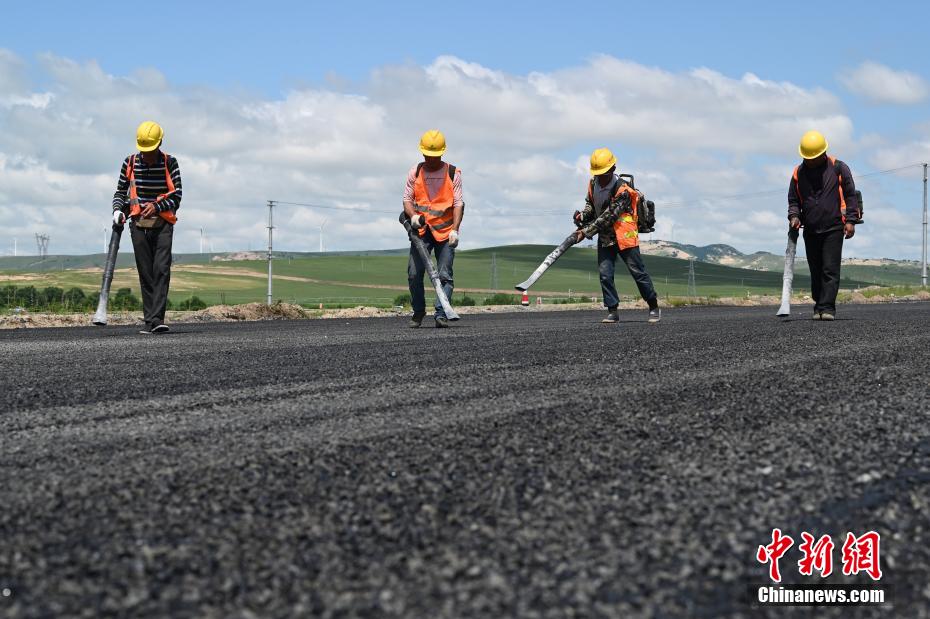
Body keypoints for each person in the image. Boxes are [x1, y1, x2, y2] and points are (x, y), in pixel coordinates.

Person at [574, 148, 660, 324]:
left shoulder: (623, 190)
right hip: (605, 237)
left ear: (613, 169)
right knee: (605, 274)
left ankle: (653, 306)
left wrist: (586, 231)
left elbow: (609, 216)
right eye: (598, 173)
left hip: (624, 236)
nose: (601, 177)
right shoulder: (593, 184)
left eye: (604, 173)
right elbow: (590, 205)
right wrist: (582, 217)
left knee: (638, 273)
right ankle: (612, 310)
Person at [111, 121, 182, 334]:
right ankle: (150, 322)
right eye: (144, 150)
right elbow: (120, 192)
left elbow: (177, 196)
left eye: (150, 150)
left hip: (163, 225)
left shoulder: (171, 163)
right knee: (146, 273)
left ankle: (157, 320)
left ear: (160, 143)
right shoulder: (130, 162)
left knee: (161, 270)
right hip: (138, 225)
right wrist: (117, 210)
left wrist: (157, 206)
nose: (147, 154)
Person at [788, 130, 860, 320]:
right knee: (816, 269)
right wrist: (794, 216)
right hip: (810, 229)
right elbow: (793, 200)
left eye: (814, 158)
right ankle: (818, 304)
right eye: (807, 158)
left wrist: (851, 220)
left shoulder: (838, 168)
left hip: (834, 227)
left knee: (829, 268)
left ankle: (827, 308)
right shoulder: (798, 172)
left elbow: (851, 195)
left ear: (823, 153)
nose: (810, 161)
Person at [402, 129, 464, 328]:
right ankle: (418, 311)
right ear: (422, 153)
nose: (431, 159)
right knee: (413, 273)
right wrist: (413, 217)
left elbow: (458, 204)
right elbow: (407, 200)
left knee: (445, 274)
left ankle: (441, 313)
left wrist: (455, 229)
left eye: (435, 156)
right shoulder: (415, 172)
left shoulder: (453, 173)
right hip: (421, 232)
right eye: (428, 155)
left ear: (442, 153)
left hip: (446, 233)